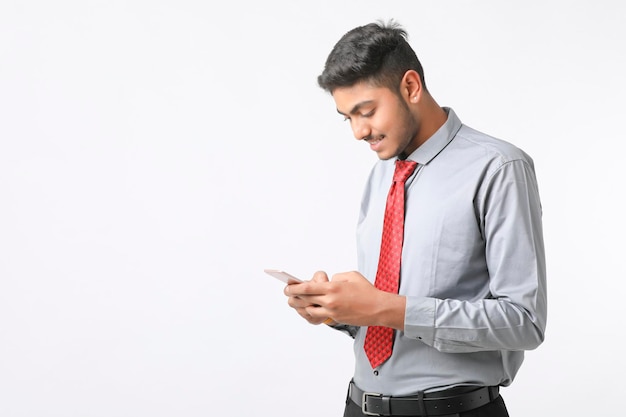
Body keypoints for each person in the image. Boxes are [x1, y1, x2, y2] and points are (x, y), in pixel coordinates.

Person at [284, 20, 547, 417]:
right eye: (347, 117)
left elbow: (524, 322)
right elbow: (386, 311)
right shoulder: (382, 174)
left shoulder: (498, 168)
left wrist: (383, 308)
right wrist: (339, 310)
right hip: (359, 406)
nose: (358, 131)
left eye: (366, 111)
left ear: (410, 87)